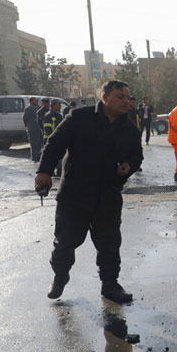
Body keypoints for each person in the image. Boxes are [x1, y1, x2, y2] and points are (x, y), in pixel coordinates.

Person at [35, 80, 142, 303]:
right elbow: (55, 144)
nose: (126, 101)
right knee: (66, 242)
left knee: (109, 244)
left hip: (108, 195)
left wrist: (128, 166)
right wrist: (44, 172)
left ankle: (110, 285)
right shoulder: (79, 118)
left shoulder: (129, 128)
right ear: (105, 97)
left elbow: (136, 155)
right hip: (75, 195)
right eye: (120, 97)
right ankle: (60, 277)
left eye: (127, 97)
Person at [42, 99, 64, 176]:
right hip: (51, 141)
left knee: (60, 158)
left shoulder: (59, 115)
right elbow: (48, 130)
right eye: (59, 105)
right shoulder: (48, 116)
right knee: (51, 158)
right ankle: (50, 173)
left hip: (58, 141)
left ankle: (59, 172)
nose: (60, 106)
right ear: (53, 105)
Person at [23, 96, 44, 162]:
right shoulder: (29, 109)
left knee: (39, 143)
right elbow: (25, 118)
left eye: (36, 100)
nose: (36, 101)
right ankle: (35, 157)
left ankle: (39, 155)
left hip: (38, 128)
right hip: (32, 128)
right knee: (34, 143)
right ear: (31, 101)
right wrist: (27, 126)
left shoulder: (38, 108)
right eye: (35, 100)